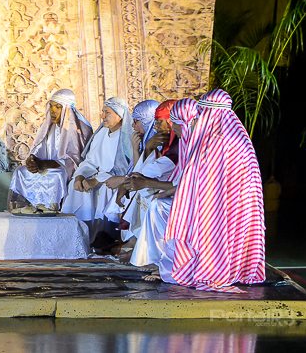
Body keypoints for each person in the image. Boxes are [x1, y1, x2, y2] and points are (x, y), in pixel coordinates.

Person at [161, 89, 265, 292]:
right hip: (241, 205)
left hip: (215, 206)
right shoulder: (240, 138)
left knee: (213, 231)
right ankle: (238, 270)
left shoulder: (211, 143)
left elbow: (196, 183)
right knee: (235, 231)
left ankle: (212, 269)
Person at [130, 98, 197, 269]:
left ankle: (163, 258)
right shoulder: (180, 143)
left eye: (160, 122)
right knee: (151, 197)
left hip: (198, 200)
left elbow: (190, 184)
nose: (156, 127)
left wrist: (147, 183)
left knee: (155, 203)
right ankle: (151, 253)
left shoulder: (190, 145)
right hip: (183, 193)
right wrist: (147, 149)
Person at [8, 89, 93, 212]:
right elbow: (39, 148)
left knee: (57, 176)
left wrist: (45, 164)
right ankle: (27, 208)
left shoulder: (79, 129)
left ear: (67, 109)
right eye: (51, 106)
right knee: (20, 171)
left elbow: (74, 160)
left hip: (64, 170)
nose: (53, 111)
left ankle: (52, 210)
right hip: (44, 167)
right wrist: (32, 160)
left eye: (58, 107)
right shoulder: (49, 127)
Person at [60, 97, 133, 240]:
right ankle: (75, 233)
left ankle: (104, 236)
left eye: (107, 112)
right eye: (102, 111)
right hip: (97, 176)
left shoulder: (127, 138)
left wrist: (97, 180)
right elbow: (90, 161)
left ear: (120, 115)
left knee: (106, 188)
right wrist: (80, 175)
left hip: (115, 180)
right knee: (76, 185)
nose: (103, 116)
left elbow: (125, 170)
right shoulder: (101, 133)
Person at [106, 99, 177, 240]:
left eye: (159, 122)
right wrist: (144, 149)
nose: (156, 127)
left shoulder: (174, 145)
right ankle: (133, 239)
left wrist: (126, 181)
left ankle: (138, 241)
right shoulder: (157, 141)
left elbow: (150, 171)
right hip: (160, 185)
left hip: (170, 191)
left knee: (145, 195)